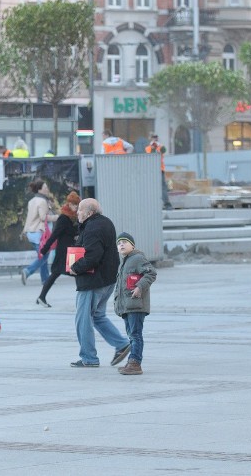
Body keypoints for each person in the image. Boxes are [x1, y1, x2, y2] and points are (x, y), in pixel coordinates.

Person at [66, 198, 131, 368]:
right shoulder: (105, 222)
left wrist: (75, 268)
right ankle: (122, 344)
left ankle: (89, 357)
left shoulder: (92, 228)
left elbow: (92, 257)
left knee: (83, 319)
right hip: (107, 280)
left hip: (93, 281)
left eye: (80, 210)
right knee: (97, 316)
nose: (77, 213)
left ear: (90, 212)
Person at [113, 232, 157, 375]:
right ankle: (132, 361)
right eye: (119, 243)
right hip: (127, 306)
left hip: (136, 305)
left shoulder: (137, 258)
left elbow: (151, 273)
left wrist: (139, 287)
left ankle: (135, 363)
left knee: (135, 334)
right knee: (132, 335)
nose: (121, 245)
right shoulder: (124, 262)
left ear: (133, 245)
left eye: (125, 242)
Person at [36, 191, 81, 307]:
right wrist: (45, 248)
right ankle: (81, 300)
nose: (75, 207)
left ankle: (41, 297)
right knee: (76, 273)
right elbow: (54, 235)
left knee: (62, 273)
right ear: (69, 204)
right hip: (64, 252)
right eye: (73, 204)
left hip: (70, 250)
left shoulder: (74, 218)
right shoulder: (64, 218)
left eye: (77, 205)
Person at [20, 180, 58, 286]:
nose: (47, 190)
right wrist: (57, 217)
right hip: (39, 233)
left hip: (30, 232)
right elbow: (43, 217)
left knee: (43, 255)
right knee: (44, 256)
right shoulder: (42, 201)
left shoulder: (32, 201)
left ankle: (45, 279)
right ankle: (27, 271)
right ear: (40, 189)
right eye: (45, 188)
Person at [145, 133, 173, 210]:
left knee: (163, 187)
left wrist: (158, 145)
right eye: (153, 137)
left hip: (160, 169)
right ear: (150, 138)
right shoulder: (148, 148)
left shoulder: (160, 147)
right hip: (152, 170)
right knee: (152, 187)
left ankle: (167, 204)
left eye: (156, 137)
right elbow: (151, 154)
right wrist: (153, 146)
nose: (155, 139)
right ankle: (152, 204)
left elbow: (164, 150)